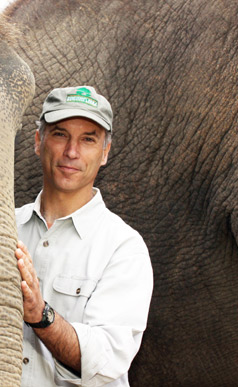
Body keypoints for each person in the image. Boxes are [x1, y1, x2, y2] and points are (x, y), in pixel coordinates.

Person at [15, 86, 153, 387]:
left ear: (105, 153)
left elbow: (104, 363)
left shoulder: (124, 248)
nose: (71, 152)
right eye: (60, 134)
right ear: (39, 142)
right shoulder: (2, 228)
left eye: (88, 139)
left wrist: (40, 314)